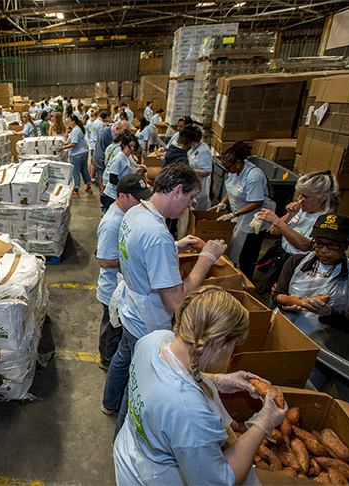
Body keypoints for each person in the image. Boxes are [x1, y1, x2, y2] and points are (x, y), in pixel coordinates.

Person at [113, 286, 288, 486]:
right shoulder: (190, 413)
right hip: (149, 478)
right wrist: (264, 423)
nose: (232, 351)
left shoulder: (153, 340)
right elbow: (220, 480)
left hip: (128, 451)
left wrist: (219, 380)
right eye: (233, 345)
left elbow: (168, 377)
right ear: (220, 342)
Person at [102, 163, 227, 434]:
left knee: (123, 357)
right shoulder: (157, 234)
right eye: (191, 197)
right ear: (178, 190)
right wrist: (206, 259)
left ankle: (107, 403)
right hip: (146, 320)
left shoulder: (136, 212)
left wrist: (173, 246)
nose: (191, 205)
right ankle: (122, 435)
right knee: (138, 382)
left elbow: (140, 251)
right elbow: (177, 302)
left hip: (130, 310)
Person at [274, 213, 349, 337]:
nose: (324, 250)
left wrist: (330, 314)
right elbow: (278, 294)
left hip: (324, 346)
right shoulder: (296, 263)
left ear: (346, 244)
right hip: (282, 332)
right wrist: (284, 305)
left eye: (332, 245)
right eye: (319, 243)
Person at [96, 175, 151, 371]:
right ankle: (107, 360)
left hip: (121, 284)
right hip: (112, 287)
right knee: (111, 328)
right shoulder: (113, 223)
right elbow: (103, 260)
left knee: (116, 326)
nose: (141, 202)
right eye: (137, 198)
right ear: (122, 196)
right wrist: (134, 258)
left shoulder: (126, 214)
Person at [255, 171, 340, 294]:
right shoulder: (302, 211)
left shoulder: (325, 220)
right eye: (299, 195)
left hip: (299, 269)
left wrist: (278, 221)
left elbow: (305, 246)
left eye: (305, 196)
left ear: (323, 197)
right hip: (283, 262)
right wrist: (290, 215)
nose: (300, 200)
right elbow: (274, 231)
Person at [210, 141, 271, 280]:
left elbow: (257, 202)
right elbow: (231, 188)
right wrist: (222, 203)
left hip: (253, 219)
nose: (226, 170)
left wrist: (234, 214)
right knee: (234, 247)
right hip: (240, 215)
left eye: (228, 167)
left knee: (246, 254)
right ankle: (233, 275)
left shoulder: (254, 176)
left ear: (238, 162)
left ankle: (245, 281)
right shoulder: (234, 171)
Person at [101, 132, 145, 212]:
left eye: (134, 147)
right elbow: (112, 178)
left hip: (120, 195)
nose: (132, 149)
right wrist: (127, 185)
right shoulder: (119, 159)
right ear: (124, 145)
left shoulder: (127, 157)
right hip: (112, 196)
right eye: (130, 146)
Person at [55, 114, 91, 196]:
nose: (69, 123)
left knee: (76, 171)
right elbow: (71, 141)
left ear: (73, 121)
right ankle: (89, 187)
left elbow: (74, 143)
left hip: (77, 154)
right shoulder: (79, 128)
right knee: (84, 170)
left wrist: (63, 147)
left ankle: (75, 189)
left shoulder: (75, 131)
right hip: (84, 152)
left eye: (69, 122)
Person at [94, 118, 128, 200]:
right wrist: (106, 168)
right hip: (102, 165)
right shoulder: (104, 134)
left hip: (110, 168)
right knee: (104, 189)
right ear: (117, 129)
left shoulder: (118, 143)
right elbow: (99, 153)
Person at [187, 126, 212, 210]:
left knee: (197, 209)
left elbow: (207, 171)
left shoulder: (204, 151)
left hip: (200, 187)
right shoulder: (193, 148)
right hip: (191, 183)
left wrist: (191, 171)